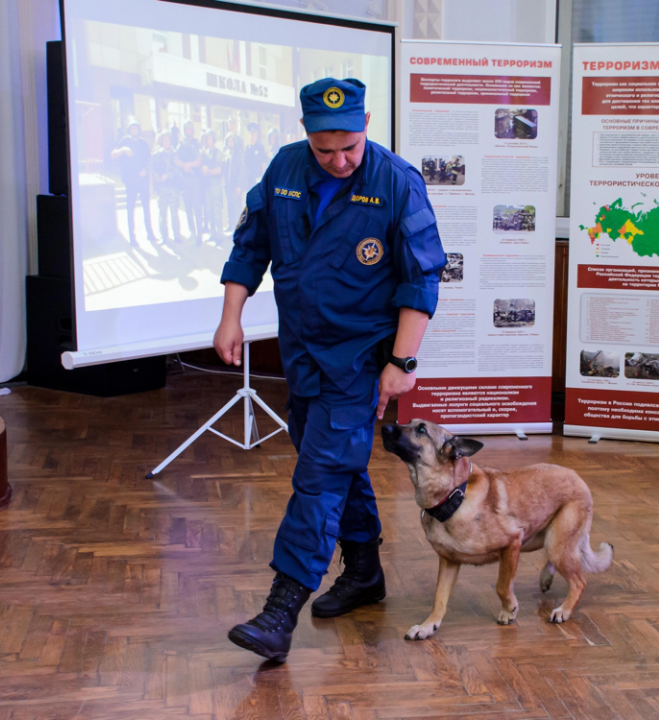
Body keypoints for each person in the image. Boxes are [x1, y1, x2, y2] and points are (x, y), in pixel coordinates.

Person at [215, 78, 445, 662]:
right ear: (305, 135)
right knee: (336, 467)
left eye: (350, 147)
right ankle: (365, 572)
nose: (339, 160)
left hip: (359, 359)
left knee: (319, 478)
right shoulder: (285, 170)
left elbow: (421, 280)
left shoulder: (396, 183)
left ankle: (280, 609)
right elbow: (251, 247)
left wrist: (401, 362)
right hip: (301, 355)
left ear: (367, 124)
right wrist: (231, 317)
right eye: (325, 150)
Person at [110, 116, 156, 244]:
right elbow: (113, 154)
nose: (134, 130)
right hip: (131, 181)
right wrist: (123, 150)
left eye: (136, 128)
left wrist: (145, 170)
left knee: (146, 208)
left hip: (143, 180)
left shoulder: (143, 143)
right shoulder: (125, 141)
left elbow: (149, 160)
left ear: (139, 129)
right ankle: (132, 237)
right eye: (132, 128)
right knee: (131, 209)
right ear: (129, 129)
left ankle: (150, 233)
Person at [150, 131, 182, 243]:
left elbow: (179, 170)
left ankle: (177, 235)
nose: (166, 142)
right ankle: (164, 236)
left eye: (168, 140)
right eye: (164, 140)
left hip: (173, 188)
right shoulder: (157, 154)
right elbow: (152, 167)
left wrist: (168, 175)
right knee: (162, 213)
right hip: (161, 188)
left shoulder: (175, 154)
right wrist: (156, 178)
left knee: (174, 213)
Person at [176, 121, 204, 244]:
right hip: (184, 180)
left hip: (195, 179)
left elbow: (200, 159)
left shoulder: (196, 143)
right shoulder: (181, 144)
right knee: (188, 207)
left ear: (192, 130)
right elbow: (175, 159)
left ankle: (199, 235)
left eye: (190, 129)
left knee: (197, 207)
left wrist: (189, 165)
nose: (188, 131)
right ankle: (192, 232)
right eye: (186, 129)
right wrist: (184, 165)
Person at [200, 130, 225, 239]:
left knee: (216, 208)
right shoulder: (205, 152)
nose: (208, 140)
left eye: (209, 138)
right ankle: (212, 233)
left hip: (215, 183)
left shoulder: (218, 153)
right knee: (209, 209)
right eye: (207, 138)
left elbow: (220, 169)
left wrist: (209, 171)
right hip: (206, 184)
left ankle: (219, 234)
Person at [223, 118, 245, 233]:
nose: (231, 126)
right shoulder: (226, 149)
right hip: (228, 183)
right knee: (230, 205)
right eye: (230, 124)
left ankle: (239, 227)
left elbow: (241, 168)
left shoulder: (239, 143)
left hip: (236, 182)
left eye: (233, 124)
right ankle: (230, 224)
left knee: (237, 206)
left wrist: (239, 185)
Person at [243, 122, 268, 191]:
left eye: (254, 133)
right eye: (251, 134)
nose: (252, 135)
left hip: (258, 177)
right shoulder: (247, 148)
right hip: (249, 178)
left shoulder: (260, 147)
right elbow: (245, 163)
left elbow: (263, 163)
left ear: (256, 134)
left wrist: (263, 178)